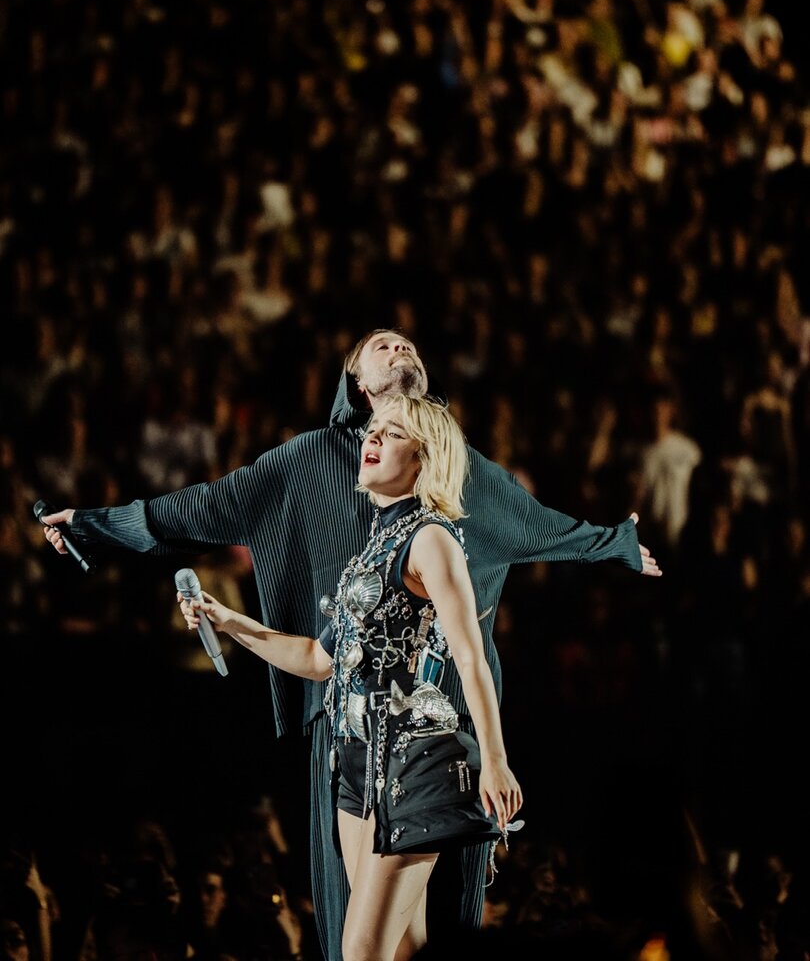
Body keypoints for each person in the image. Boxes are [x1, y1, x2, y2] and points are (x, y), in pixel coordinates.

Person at [42, 328, 661, 960]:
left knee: (383, 946)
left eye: (408, 345)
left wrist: (614, 544)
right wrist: (208, 606)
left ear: (425, 451)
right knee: (391, 944)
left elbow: (530, 547)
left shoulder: (443, 511)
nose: (400, 348)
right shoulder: (335, 494)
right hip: (353, 747)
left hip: (429, 747)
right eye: (381, 345)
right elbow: (312, 647)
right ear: (356, 384)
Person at [177, 395, 523, 960]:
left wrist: (496, 759)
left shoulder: (431, 539)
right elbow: (320, 659)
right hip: (357, 766)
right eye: (373, 430)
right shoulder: (373, 547)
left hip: (413, 764)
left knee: (360, 952)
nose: (373, 438)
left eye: (393, 433)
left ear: (424, 459)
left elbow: (469, 654)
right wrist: (228, 620)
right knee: (404, 947)